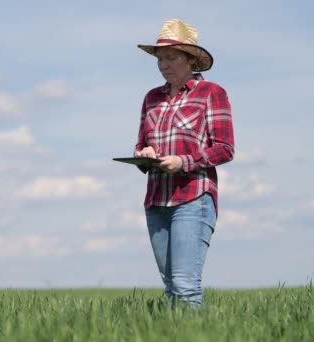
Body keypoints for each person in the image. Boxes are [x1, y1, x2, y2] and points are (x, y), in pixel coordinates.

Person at [134, 19, 235, 308]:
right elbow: (141, 144)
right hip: (157, 200)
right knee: (170, 288)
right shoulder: (151, 98)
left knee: (185, 285)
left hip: (193, 198)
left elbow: (225, 149)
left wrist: (184, 161)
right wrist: (145, 155)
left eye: (171, 57)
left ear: (191, 59)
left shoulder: (211, 93)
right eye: (160, 58)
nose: (163, 64)